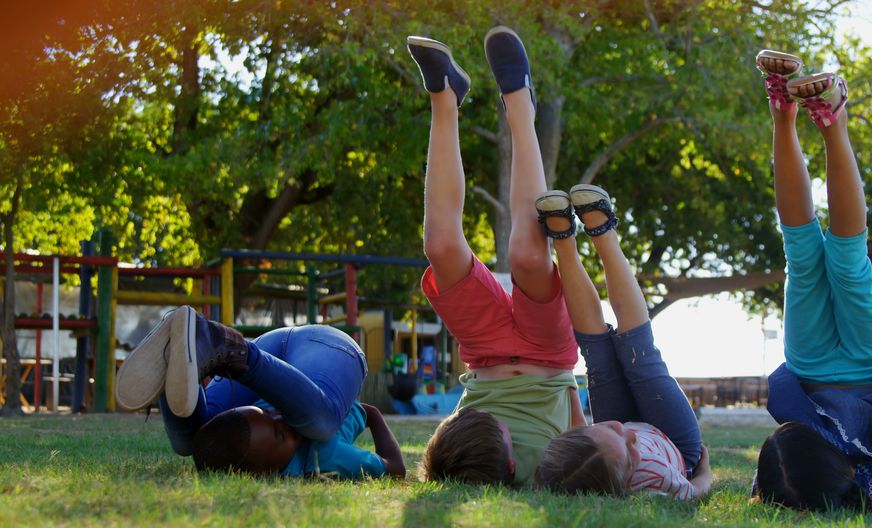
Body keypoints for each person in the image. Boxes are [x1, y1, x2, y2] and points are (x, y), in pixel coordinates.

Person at [749, 50, 872, 511]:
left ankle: (784, 110)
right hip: (871, 365)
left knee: (806, 254)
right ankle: (832, 118)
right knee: (845, 263)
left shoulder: (865, 486)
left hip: (815, 366)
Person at [406, 27, 585, 486]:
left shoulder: (459, 473)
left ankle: (444, 96)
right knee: (528, 253)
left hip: (483, 357)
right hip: (548, 355)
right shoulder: (537, 480)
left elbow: (436, 460)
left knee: (440, 247)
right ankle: (520, 104)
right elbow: (582, 438)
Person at [533, 184, 712, 500]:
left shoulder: (589, 459)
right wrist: (705, 470)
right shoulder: (655, 479)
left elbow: (577, 445)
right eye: (632, 454)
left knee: (598, 356)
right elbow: (694, 492)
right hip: (677, 442)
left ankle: (562, 242)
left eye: (612, 432)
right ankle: (603, 232)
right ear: (626, 479)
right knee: (640, 356)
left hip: (609, 431)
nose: (628, 434)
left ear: (587, 432)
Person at [115, 306, 405, 479]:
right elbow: (395, 469)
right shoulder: (324, 458)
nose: (283, 417)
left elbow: (270, 429)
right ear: (268, 472)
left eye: (270, 413)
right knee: (195, 442)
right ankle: (173, 356)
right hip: (321, 361)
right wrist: (374, 416)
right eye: (278, 434)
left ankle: (221, 345)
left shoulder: (264, 442)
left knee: (317, 423)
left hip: (315, 346)